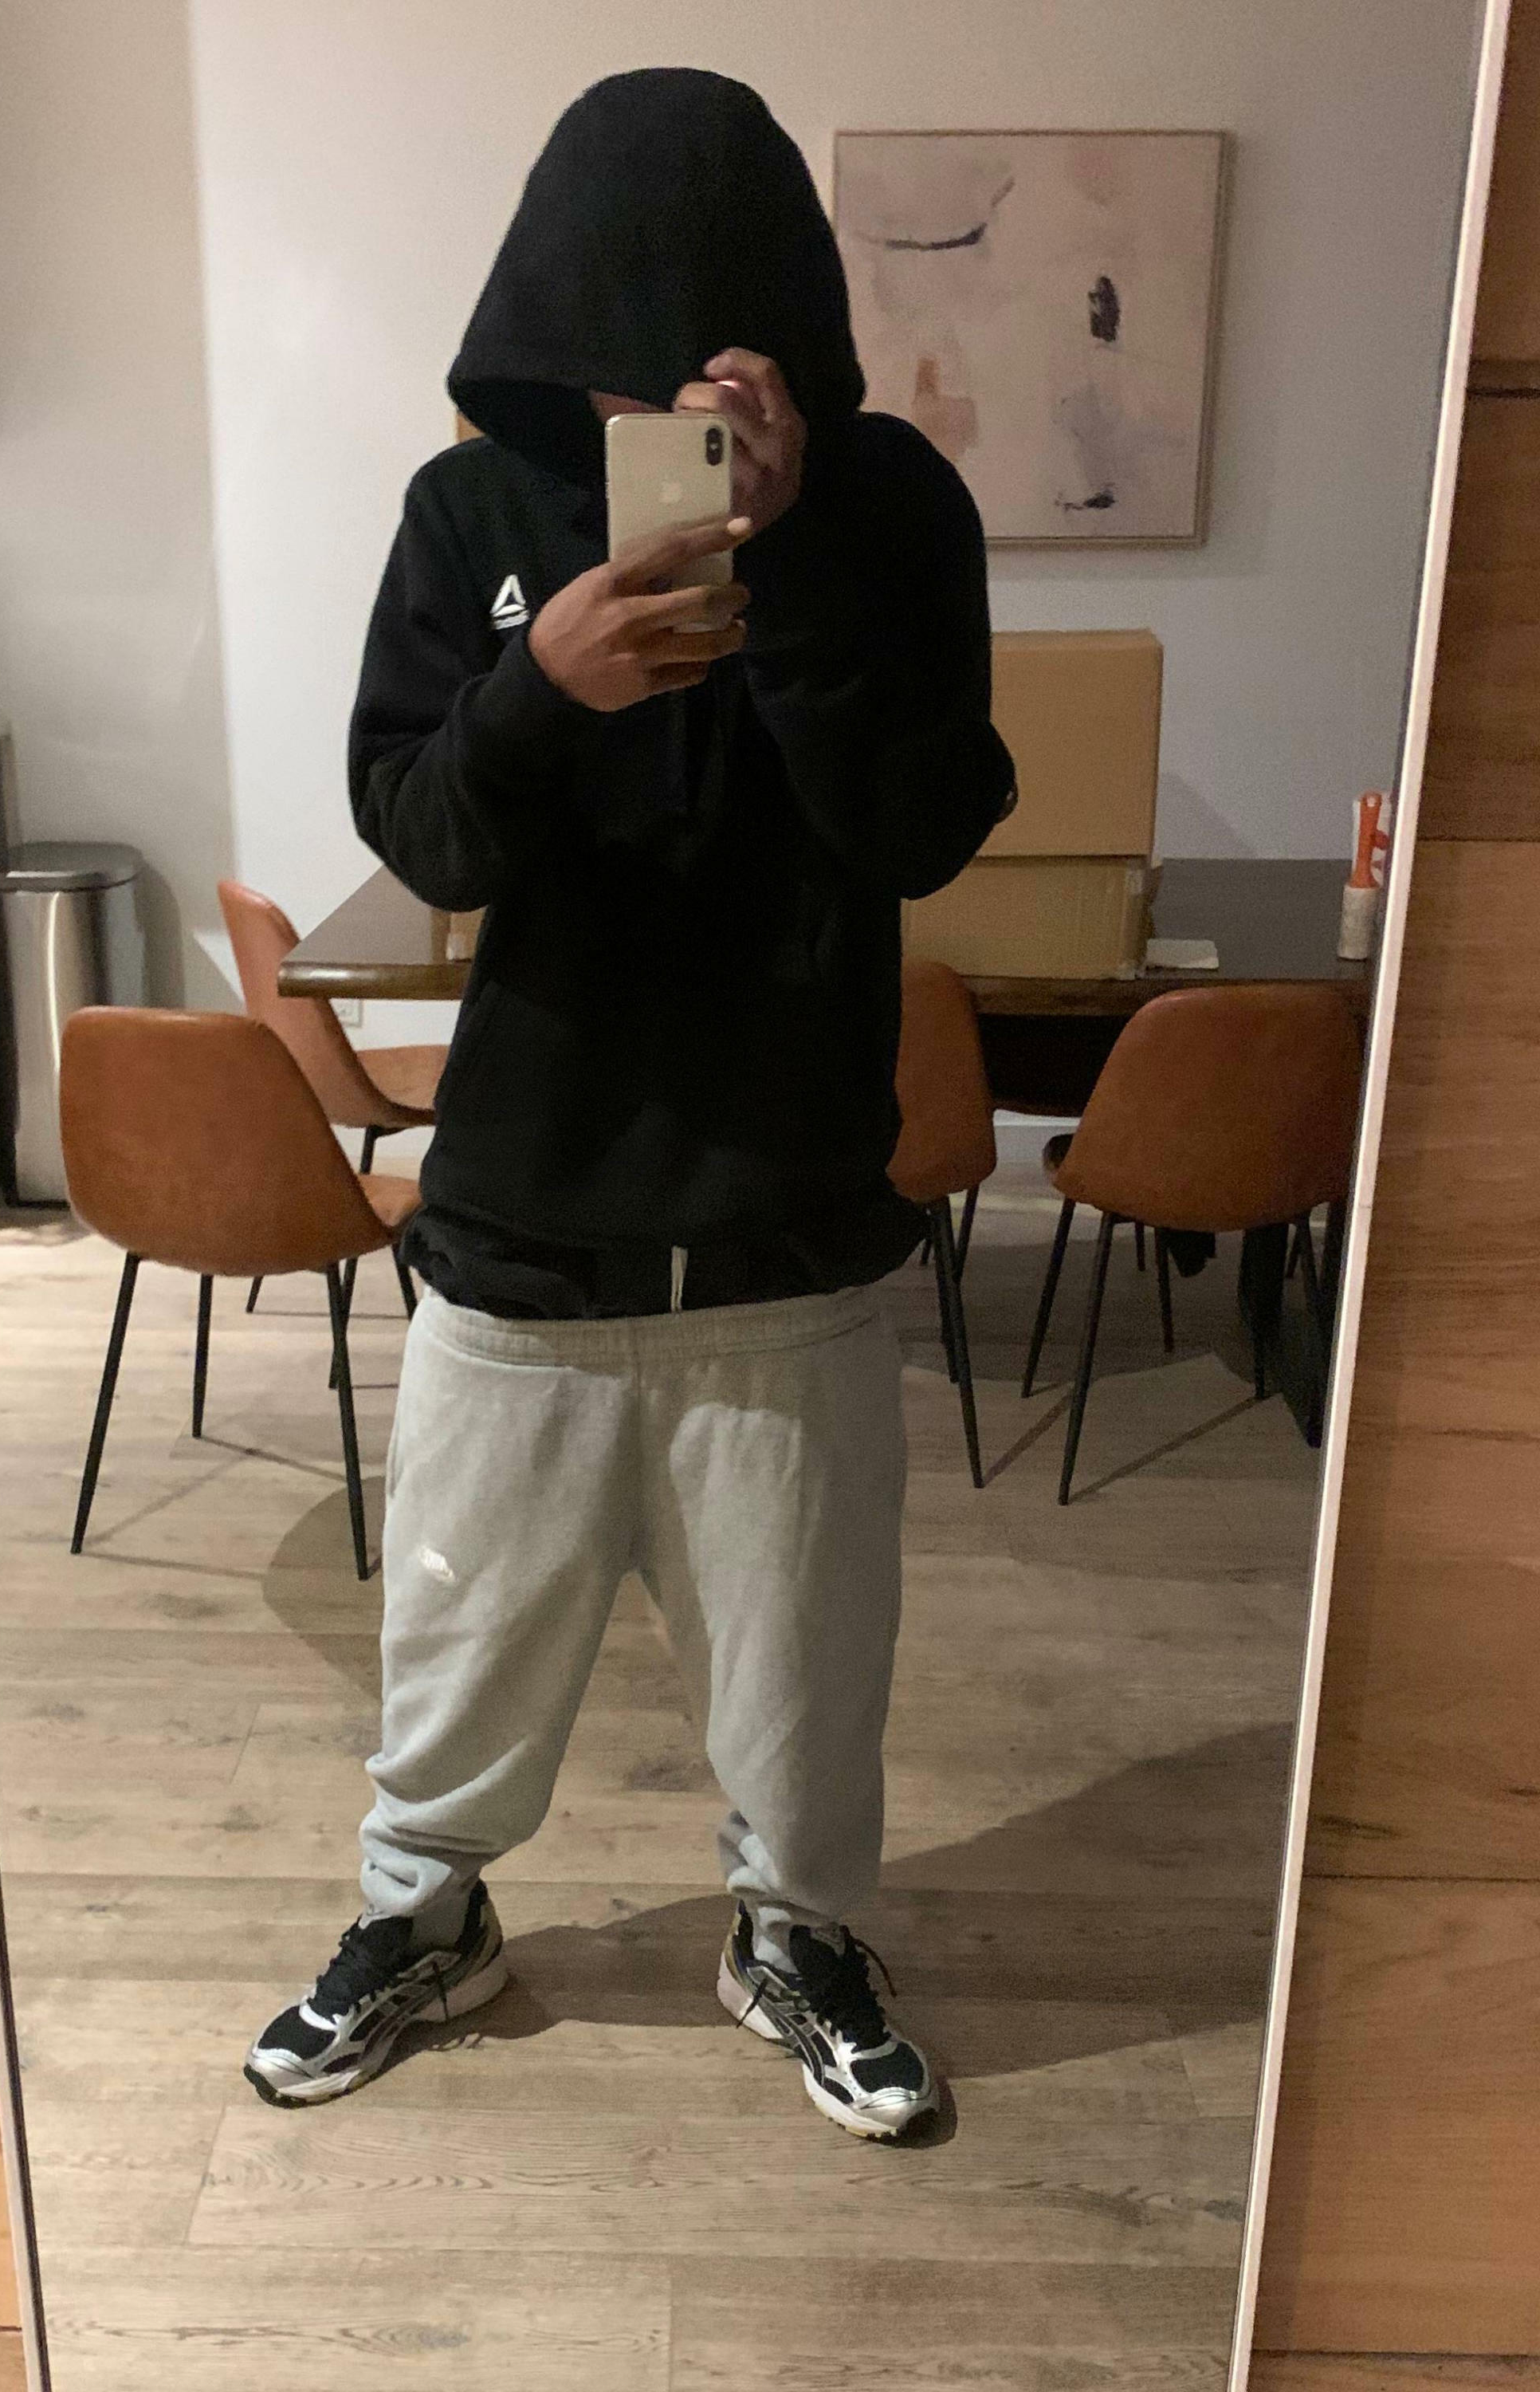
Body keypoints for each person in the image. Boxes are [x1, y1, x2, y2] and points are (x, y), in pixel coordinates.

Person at [246, 67, 1012, 2141]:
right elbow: (422, 827)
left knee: (807, 1663)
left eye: (681, 377)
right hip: (529, 1200)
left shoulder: (891, 509)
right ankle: (423, 1915)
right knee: (461, 1633)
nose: (638, 417)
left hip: (791, 1204)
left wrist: (796, 580)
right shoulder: (474, 515)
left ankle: (800, 1930)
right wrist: (542, 689)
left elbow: (929, 825)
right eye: (600, 378)